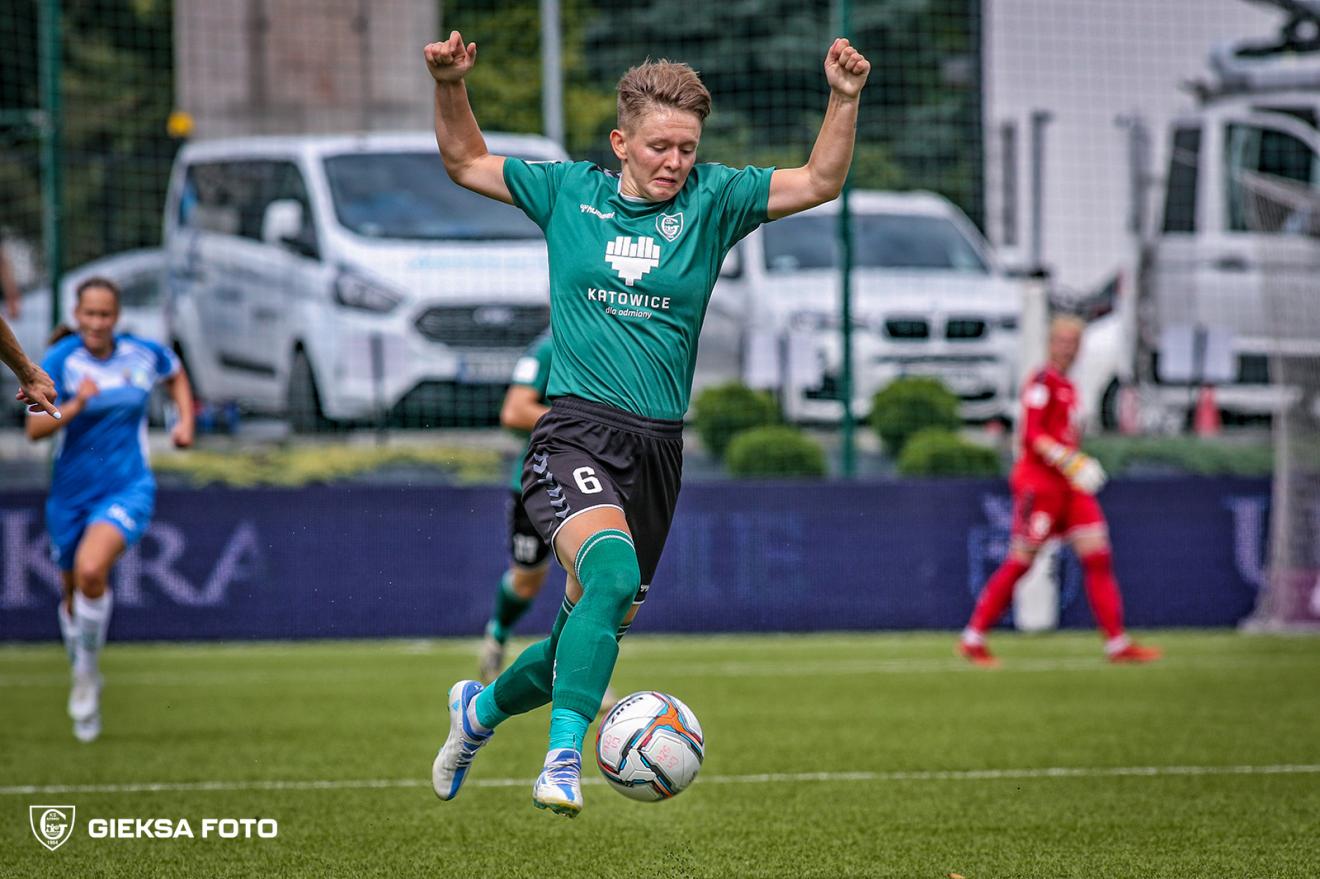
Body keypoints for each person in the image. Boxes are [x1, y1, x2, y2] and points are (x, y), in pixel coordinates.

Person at [424, 29, 870, 817]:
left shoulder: (714, 202)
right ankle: (563, 758)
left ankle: (479, 711)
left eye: (688, 148)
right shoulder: (567, 192)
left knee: (579, 637)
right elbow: (465, 162)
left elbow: (820, 180)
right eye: (661, 146)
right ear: (620, 143)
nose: (675, 162)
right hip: (574, 431)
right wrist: (451, 84)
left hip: (659, 451)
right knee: (611, 574)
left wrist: (843, 98)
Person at [27, 277, 195, 742]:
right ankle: (85, 669)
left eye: (105, 314)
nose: (98, 323)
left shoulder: (142, 354)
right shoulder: (61, 360)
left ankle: (84, 677)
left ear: (116, 317)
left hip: (127, 487)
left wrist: (184, 422)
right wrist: (77, 403)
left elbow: (175, 372)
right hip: (71, 494)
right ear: (77, 316)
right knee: (70, 595)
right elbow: (35, 431)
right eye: (90, 314)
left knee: (91, 571)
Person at [957, 316, 1161, 667]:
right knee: (1022, 560)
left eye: (1073, 343)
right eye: (1062, 341)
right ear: (1050, 343)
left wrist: (1074, 463)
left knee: (1098, 556)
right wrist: (1069, 459)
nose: (1067, 349)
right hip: (1040, 486)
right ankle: (973, 637)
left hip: (1069, 487)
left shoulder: (1069, 386)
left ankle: (1116, 643)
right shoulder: (1041, 382)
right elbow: (1032, 435)